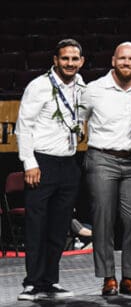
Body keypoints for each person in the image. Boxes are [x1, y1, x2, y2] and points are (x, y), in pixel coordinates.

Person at [15, 39, 87, 301]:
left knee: (59, 227)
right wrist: (29, 163)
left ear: (81, 61)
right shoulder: (39, 86)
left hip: (68, 163)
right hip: (42, 162)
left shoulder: (81, 87)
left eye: (74, 59)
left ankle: (49, 280)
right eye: (65, 58)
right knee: (37, 225)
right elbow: (23, 127)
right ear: (55, 60)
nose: (70, 63)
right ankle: (32, 283)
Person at [80, 43, 131, 296]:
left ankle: (129, 278)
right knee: (103, 220)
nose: (127, 62)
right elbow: (79, 118)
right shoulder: (94, 90)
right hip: (102, 159)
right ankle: (108, 278)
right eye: (122, 58)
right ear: (113, 60)